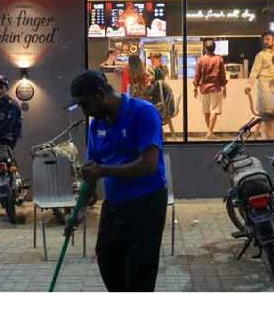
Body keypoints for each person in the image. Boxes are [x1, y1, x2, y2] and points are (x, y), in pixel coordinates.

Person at [66, 70, 168, 292]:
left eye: (85, 104)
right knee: (108, 260)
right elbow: (93, 169)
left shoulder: (143, 113)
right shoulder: (97, 125)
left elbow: (149, 165)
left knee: (139, 272)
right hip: (115, 205)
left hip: (146, 204)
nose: (84, 111)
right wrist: (80, 210)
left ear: (100, 94)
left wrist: (103, 171)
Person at [245, 31, 274, 139]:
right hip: (264, 87)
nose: (266, 41)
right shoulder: (261, 55)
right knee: (267, 116)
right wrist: (249, 85)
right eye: (264, 39)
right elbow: (254, 71)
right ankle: (270, 140)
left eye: (268, 39)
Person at [193, 39, 228, 139]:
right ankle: (210, 132)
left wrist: (195, 88)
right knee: (214, 110)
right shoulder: (219, 59)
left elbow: (197, 75)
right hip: (216, 88)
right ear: (214, 48)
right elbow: (222, 75)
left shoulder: (201, 60)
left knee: (206, 111)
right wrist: (224, 87)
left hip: (203, 88)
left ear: (205, 48)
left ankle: (209, 131)